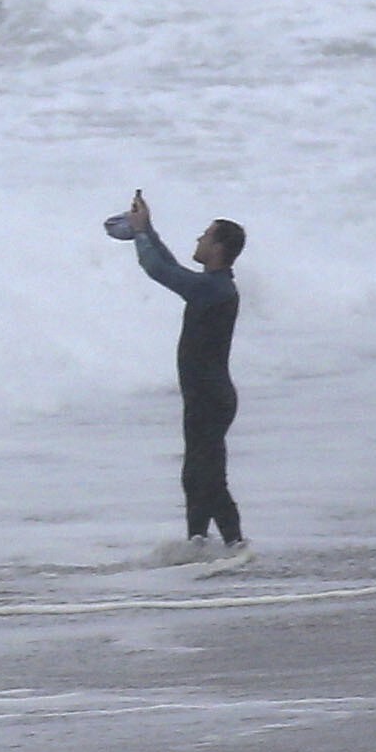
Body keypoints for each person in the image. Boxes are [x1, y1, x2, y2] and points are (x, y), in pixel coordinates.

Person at [106, 189, 246, 548]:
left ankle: (235, 543)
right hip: (204, 395)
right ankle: (197, 541)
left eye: (205, 235)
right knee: (194, 475)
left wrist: (140, 234)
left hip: (211, 397)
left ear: (217, 248)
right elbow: (172, 269)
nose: (198, 239)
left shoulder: (216, 290)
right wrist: (147, 229)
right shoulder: (210, 285)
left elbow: (158, 270)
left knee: (208, 476)